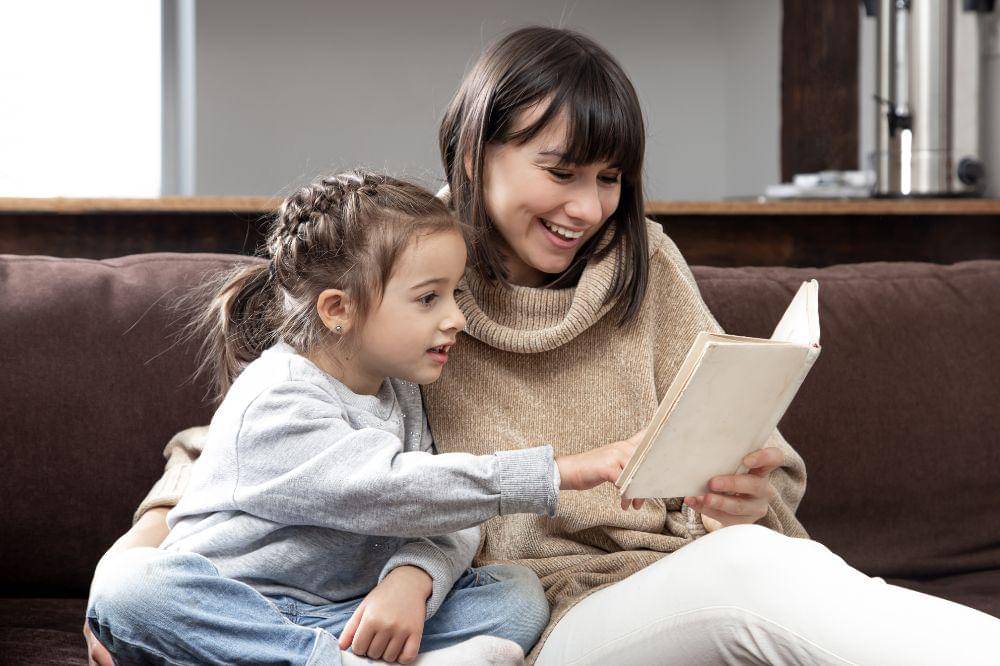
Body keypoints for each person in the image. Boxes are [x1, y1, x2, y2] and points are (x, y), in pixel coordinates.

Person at [86, 27, 1000, 666]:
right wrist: (127, 569)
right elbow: (237, 454)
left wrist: (747, 488)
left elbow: (767, 464)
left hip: (681, 579)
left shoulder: (648, 263)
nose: (589, 209)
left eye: (610, 179)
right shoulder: (407, 283)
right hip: (547, 617)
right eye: (560, 173)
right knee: (758, 577)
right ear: (475, 153)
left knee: (771, 566)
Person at [84, 170, 648, 665]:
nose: (455, 318)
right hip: (235, 611)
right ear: (338, 310)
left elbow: (444, 513)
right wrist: (557, 472)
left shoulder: (399, 391)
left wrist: (413, 580)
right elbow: (384, 488)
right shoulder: (277, 396)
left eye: (453, 294)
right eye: (429, 298)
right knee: (132, 589)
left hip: (344, 617)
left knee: (516, 594)